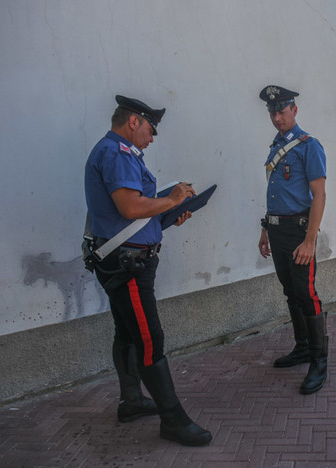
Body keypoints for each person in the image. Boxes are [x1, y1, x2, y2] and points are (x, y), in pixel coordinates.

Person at [84, 95, 212, 446]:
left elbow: (137, 210)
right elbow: (129, 206)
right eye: (151, 130)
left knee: (127, 334)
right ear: (134, 123)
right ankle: (173, 420)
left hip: (122, 258)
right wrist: (171, 200)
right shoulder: (118, 152)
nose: (152, 138)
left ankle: (132, 401)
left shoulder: (114, 151)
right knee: (148, 338)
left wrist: (170, 212)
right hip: (129, 266)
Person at [257, 85, 328, 395]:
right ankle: (301, 348)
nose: (277, 117)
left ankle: (319, 361)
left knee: (306, 293)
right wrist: (265, 229)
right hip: (277, 230)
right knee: (290, 292)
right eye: (272, 112)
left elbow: (319, 195)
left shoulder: (308, 146)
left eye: (282, 111)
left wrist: (310, 239)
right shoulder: (276, 146)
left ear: (294, 110)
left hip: (299, 233)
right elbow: (276, 195)